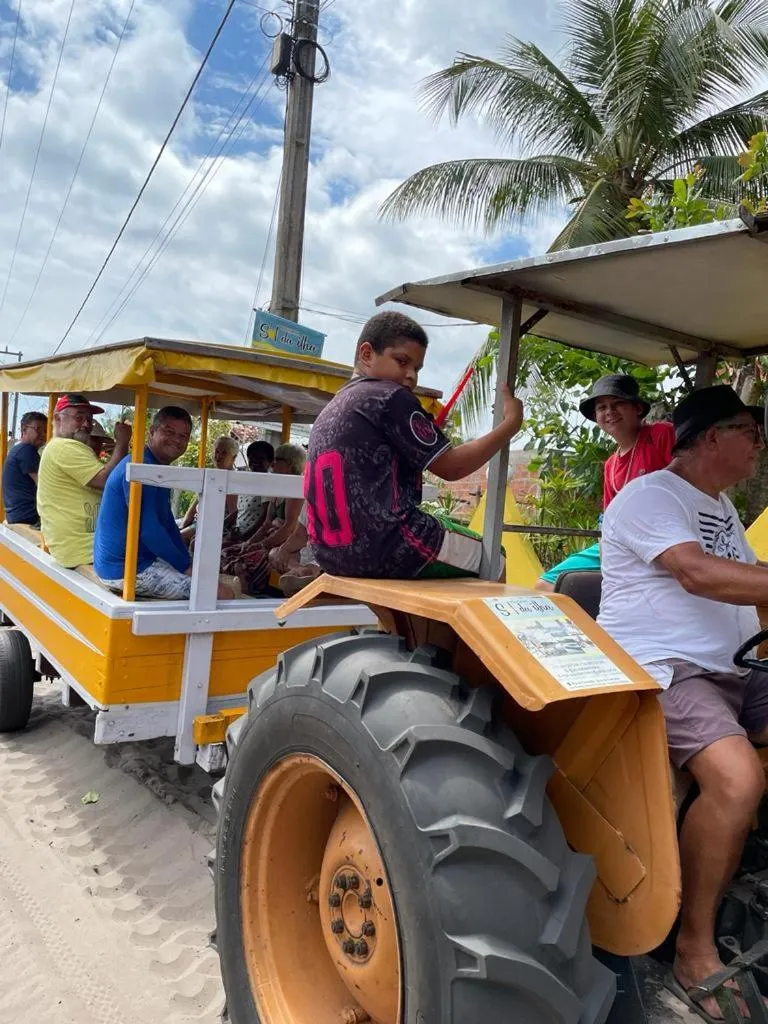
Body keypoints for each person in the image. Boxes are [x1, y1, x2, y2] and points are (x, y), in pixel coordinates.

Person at [597, 385, 768, 1020]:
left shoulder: (719, 506)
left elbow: (754, 591)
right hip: (668, 673)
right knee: (736, 780)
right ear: (710, 436)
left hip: (736, 668)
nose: (758, 445)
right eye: (750, 431)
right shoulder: (651, 497)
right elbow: (698, 573)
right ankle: (693, 949)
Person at [305, 311, 522, 580]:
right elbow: (452, 467)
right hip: (391, 544)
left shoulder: (333, 407)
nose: (410, 376)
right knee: (495, 558)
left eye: (417, 368)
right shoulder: (389, 397)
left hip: (331, 552)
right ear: (367, 354)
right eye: (402, 361)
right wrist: (510, 424)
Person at [536, 374, 675, 591]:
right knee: (545, 585)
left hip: (662, 537)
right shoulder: (611, 464)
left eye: (618, 403)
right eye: (601, 407)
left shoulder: (660, 434)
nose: (609, 412)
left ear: (637, 408)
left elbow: (688, 482)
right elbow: (609, 520)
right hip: (622, 543)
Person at [94, 407, 235, 601]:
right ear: (152, 432)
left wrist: (188, 562)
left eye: (183, 436)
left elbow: (167, 523)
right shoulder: (144, 468)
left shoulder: (156, 468)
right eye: (169, 432)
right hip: (124, 569)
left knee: (212, 576)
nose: (177, 440)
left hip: (137, 560)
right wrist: (187, 567)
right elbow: (151, 531)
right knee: (220, 594)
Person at [37, 394, 131, 568]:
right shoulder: (63, 446)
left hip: (82, 547)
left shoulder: (62, 447)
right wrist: (122, 443)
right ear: (58, 418)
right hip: (85, 550)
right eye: (79, 417)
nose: (87, 424)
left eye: (89, 419)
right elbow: (105, 481)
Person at [221, 443, 306, 595]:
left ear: (291, 463)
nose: (272, 463)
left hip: (285, 544)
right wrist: (250, 542)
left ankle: (244, 598)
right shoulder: (278, 487)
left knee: (242, 563)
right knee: (228, 553)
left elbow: (288, 528)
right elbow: (266, 524)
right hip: (271, 540)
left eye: (277, 459)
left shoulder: (295, 489)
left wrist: (260, 545)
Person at [180, 435, 240, 544]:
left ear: (234, 458)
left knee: (178, 538)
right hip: (198, 521)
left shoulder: (231, 480)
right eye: (217, 452)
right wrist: (182, 525)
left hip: (210, 526)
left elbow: (233, 514)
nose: (218, 456)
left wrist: (210, 529)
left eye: (224, 453)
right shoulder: (213, 475)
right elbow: (194, 506)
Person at [224, 440, 275, 545]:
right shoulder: (246, 481)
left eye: (261, 459)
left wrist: (244, 538)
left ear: (270, 462)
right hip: (237, 532)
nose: (255, 461)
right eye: (252, 457)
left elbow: (264, 517)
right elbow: (241, 510)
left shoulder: (268, 484)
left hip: (251, 537)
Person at [2, 411, 48, 527]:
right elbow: (44, 484)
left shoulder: (17, 450)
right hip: (28, 517)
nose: (43, 434)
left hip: (15, 515)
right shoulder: (26, 450)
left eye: (46, 430)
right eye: (38, 429)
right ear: (24, 429)